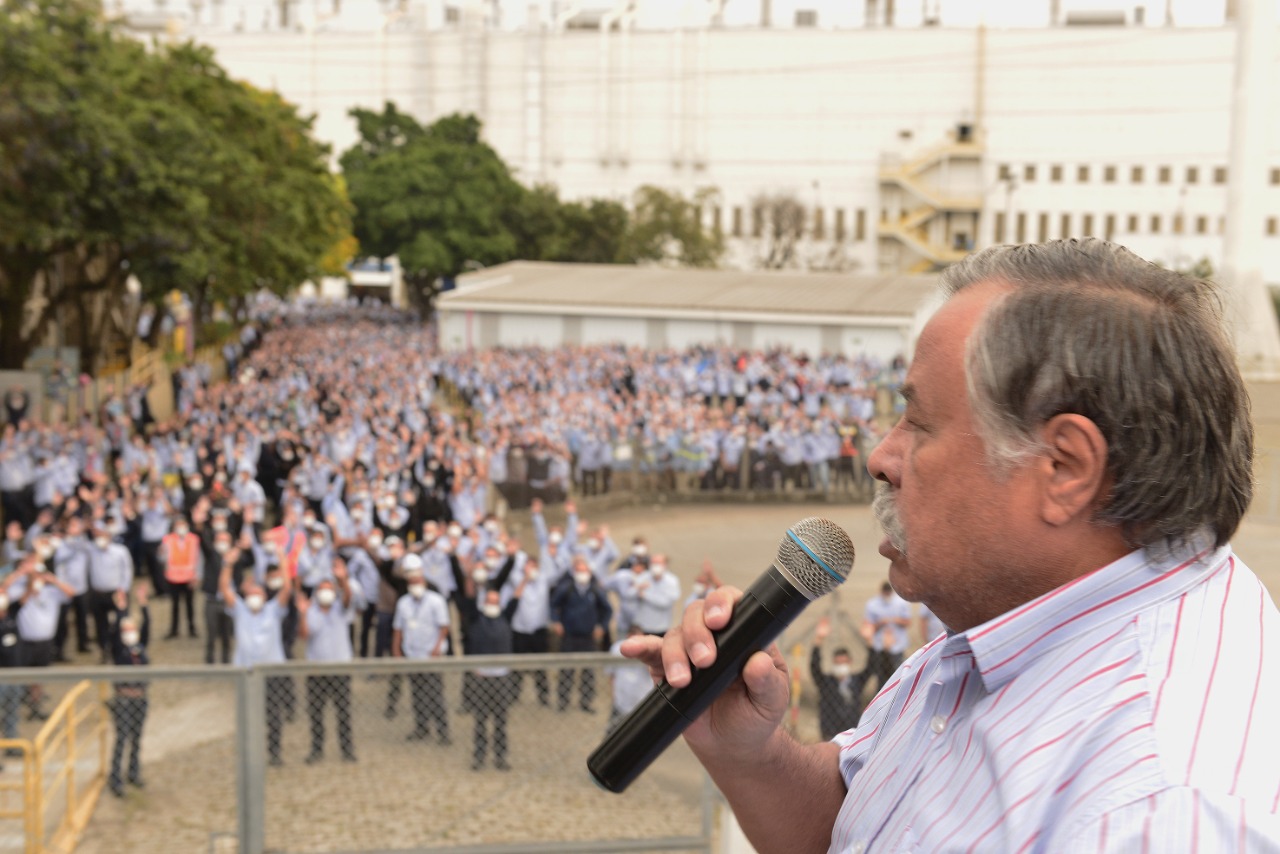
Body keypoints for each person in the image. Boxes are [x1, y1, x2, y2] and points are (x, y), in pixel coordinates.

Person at [622, 240, 1280, 852]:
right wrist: (751, 754)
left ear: (1065, 469)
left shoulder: (1155, 809)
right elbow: (858, 824)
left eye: (921, 423)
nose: (882, 457)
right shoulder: (1026, 610)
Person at [221, 558, 292, 766]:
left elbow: (287, 588)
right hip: (247, 673)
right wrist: (228, 564)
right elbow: (225, 587)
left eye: (258, 594)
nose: (254, 597)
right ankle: (249, 753)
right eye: (251, 594)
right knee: (248, 717)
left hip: (271, 673)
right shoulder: (240, 610)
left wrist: (282, 561)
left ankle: (274, 752)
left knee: (273, 715)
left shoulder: (273, 610)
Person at [296, 565, 356, 764]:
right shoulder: (311, 611)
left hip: (340, 670)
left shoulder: (341, 608)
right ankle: (316, 749)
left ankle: (347, 750)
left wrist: (343, 579)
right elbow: (304, 635)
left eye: (329, 588)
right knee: (316, 713)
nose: (325, 592)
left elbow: (348, 597)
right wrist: (303, 613)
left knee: (343, 712)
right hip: (317, 670)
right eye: (322, 588)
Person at [391, 566, 451, 744]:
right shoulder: (403, 603)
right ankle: (421, 727)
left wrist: (437, 647)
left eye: (417, 582)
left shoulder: (436, 601)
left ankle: (443, 732)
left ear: (423, 582)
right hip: (412, 655)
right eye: (412, 583)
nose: (415, 585)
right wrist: (396, 650)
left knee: (435, 695)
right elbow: (398, 629)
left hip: (431, 655)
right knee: (417, 694)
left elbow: (444, 626)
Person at [550, 556, 611, 713]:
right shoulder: (566, 588)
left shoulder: (595, 590)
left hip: (588, 637)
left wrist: (601, 627)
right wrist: (556, 621)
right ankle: (563, 701)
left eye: (585, 571)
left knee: (588, 671)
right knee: (566, 670)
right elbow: (554, 604)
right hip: (569, 636)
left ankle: (586, 701)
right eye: (579, 571)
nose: (582, 574)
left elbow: (607, 609)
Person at [107, 586, 150, 797]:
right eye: (127, 630)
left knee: (137, 738)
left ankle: (133, 772)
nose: (130, 633)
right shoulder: (119, 650)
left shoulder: (139, 648)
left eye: (132, 629)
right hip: (123, 699)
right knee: (121, 738)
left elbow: (148, 627)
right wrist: (121, 609)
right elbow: (115, 633)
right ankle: (115, 777)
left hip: (140, 699)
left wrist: (143, 605)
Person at [809, 616, 865, 742]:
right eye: (837, 663)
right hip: (830, 733)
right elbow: (814, 667)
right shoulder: (827, 682)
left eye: (843, 662)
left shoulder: (857, 681)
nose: (841, 666)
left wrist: (869, 641)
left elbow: (872, 666)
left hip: (852, 732)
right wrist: (819, 640)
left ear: (850, 662)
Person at [860, 581, 910, 693]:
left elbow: (907, 622)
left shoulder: (901, 603)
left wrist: (894, 620)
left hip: (896, 647)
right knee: (881, 677)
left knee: (897, 675)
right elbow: (867, 626)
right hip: (879, 647)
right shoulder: (872, 604)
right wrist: (880, 623)